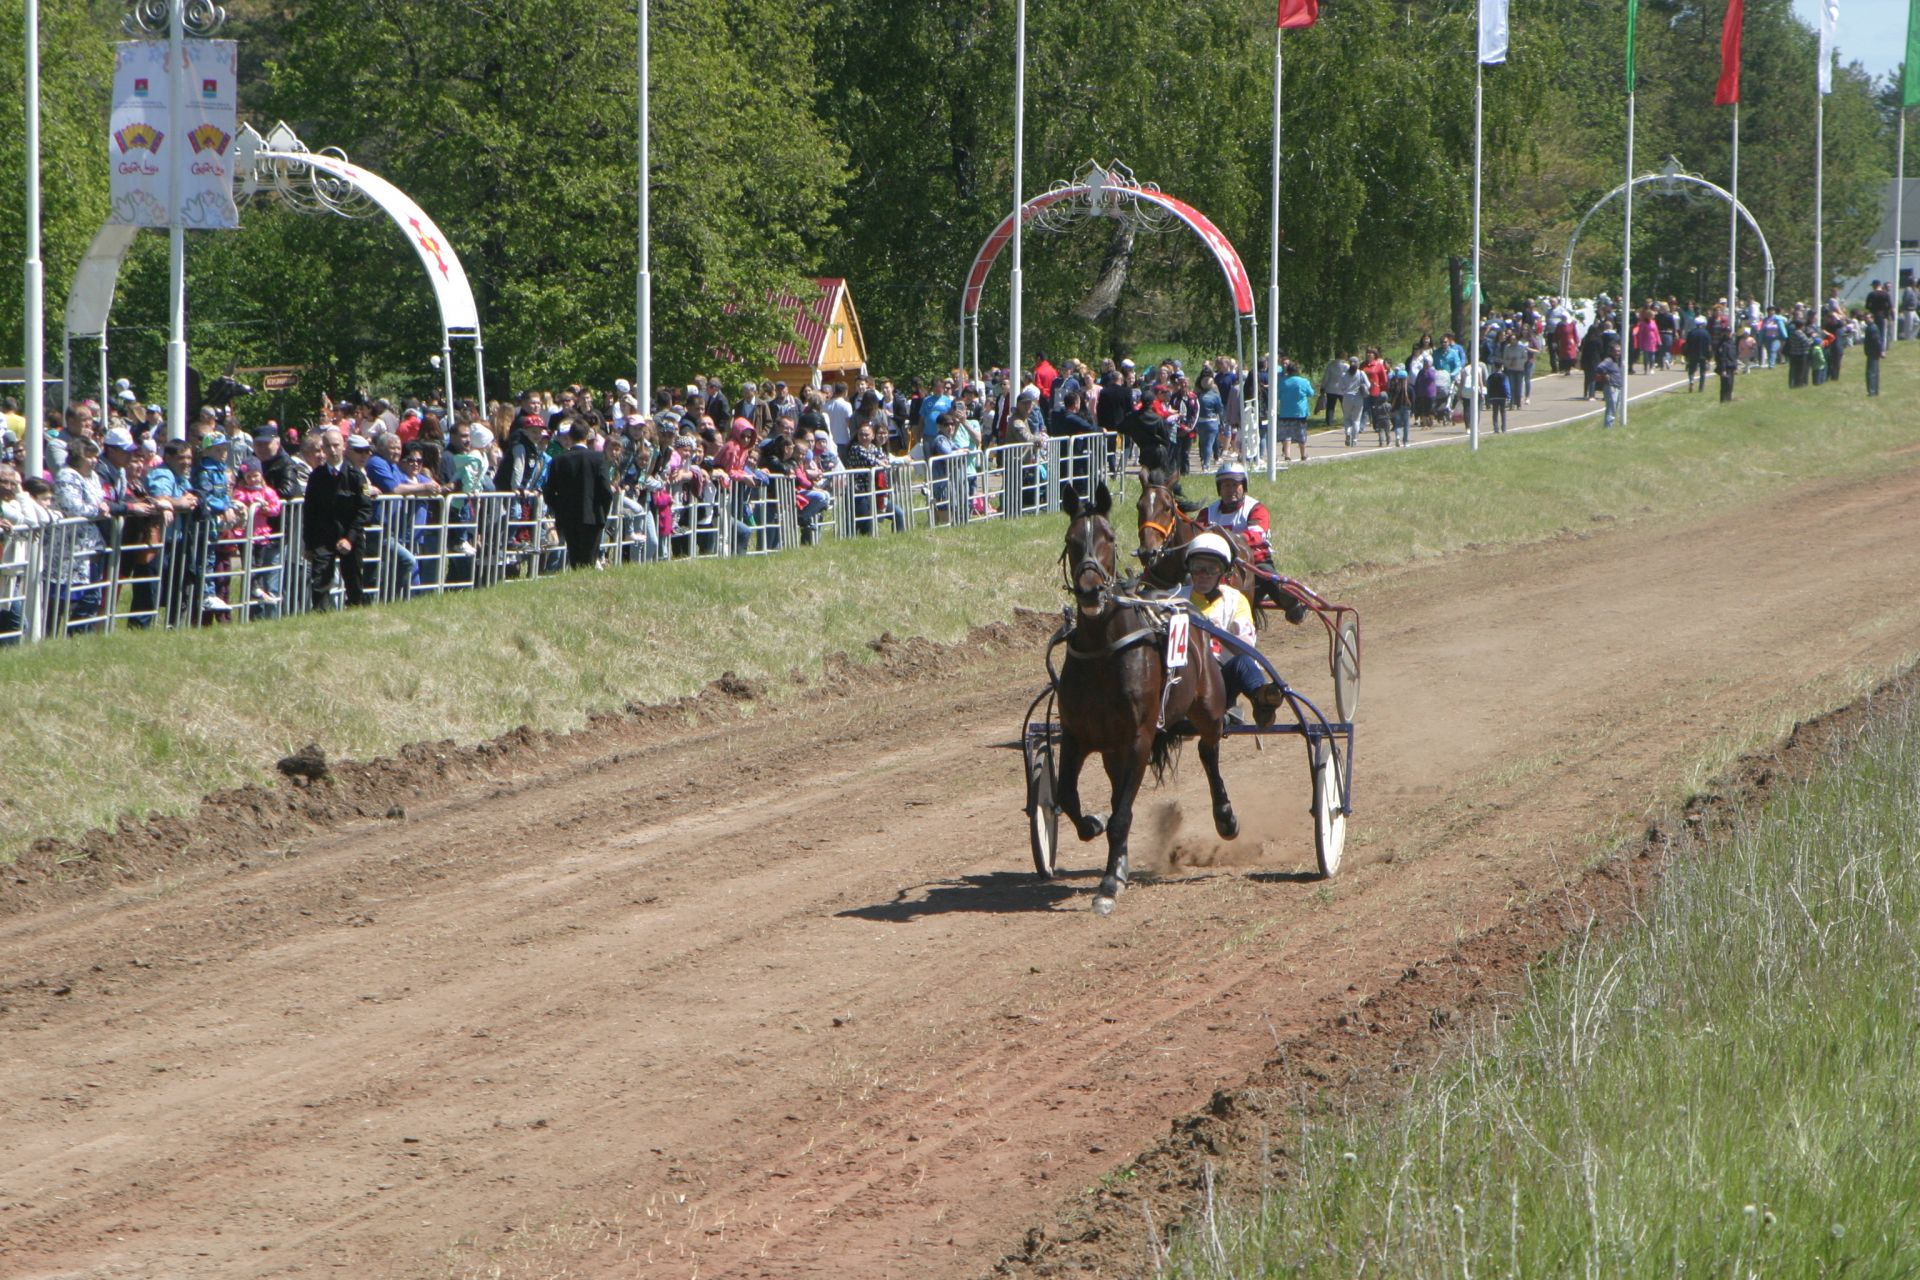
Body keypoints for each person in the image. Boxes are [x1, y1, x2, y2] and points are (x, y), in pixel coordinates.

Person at [1178, 532, 1285, 726]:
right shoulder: (1172, 597)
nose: (1203, 575)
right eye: (1198, 567)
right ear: (1189, 569)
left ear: (1223, 573)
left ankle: (1261, 700)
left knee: (1244, 662)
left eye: (1212, 569)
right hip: (1178, 680)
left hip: (1218, 682)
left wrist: (1211, 630)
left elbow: (1246, 648)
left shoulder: (1236, 600)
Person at [302, 426, 375, 608]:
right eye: (327, 446)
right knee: (319, 582)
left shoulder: (356, 476)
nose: (332, 450)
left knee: (353, 581)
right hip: (323, 537)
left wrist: (350, 539)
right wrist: (309, 545)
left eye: (336, 445)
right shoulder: (316, 477)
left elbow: (365, 510)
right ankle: (321, 616)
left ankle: (355, 610)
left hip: (350, 536)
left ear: (343, 447)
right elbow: (309, 511)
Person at [542, 417, 615, 569]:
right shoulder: (597, 458)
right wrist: (603, 512)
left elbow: (548, 491)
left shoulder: (558, 460)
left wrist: (559, 508)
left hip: (568, 516)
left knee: (575, 558)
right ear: (587, 435)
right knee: (589, 558)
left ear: (569, 436)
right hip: (593, 515)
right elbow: (606, 491)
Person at [1275, 361, 1313, 467]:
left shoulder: (1283, 382)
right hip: (1300, 412)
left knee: (1286, 434)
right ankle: (1303, 454)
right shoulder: (1304, 381)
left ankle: (1287, 455)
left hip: (1285, 411)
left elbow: (1278, 396)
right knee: (1301, 433)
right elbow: (1311, 393)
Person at [1595, 343, 1623, 428]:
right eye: (1615, 351)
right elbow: (1599, 367)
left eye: (1619, 351)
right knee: (1611, 408)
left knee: (1615, 408)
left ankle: (1610, 426)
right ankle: (1608, 427)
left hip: (1617, 387)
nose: (1617, 353)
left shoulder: (1616, 361)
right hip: (1611, 387)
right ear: (1611, 352)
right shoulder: (1609, 360)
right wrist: (1605, 374)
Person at [1862, 313, 1886, 397]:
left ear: (1872, 318)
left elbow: (1877, 341)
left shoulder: (1872, 328)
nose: (1865, 320)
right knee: (1875, 372)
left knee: (1871, 372)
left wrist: (1881, 351)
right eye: (1865, 318)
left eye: (1867, 318)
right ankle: (1875, 391)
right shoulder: (1870, 327)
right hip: (1873, 352)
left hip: (1873, 353)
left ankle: (1871, 391)